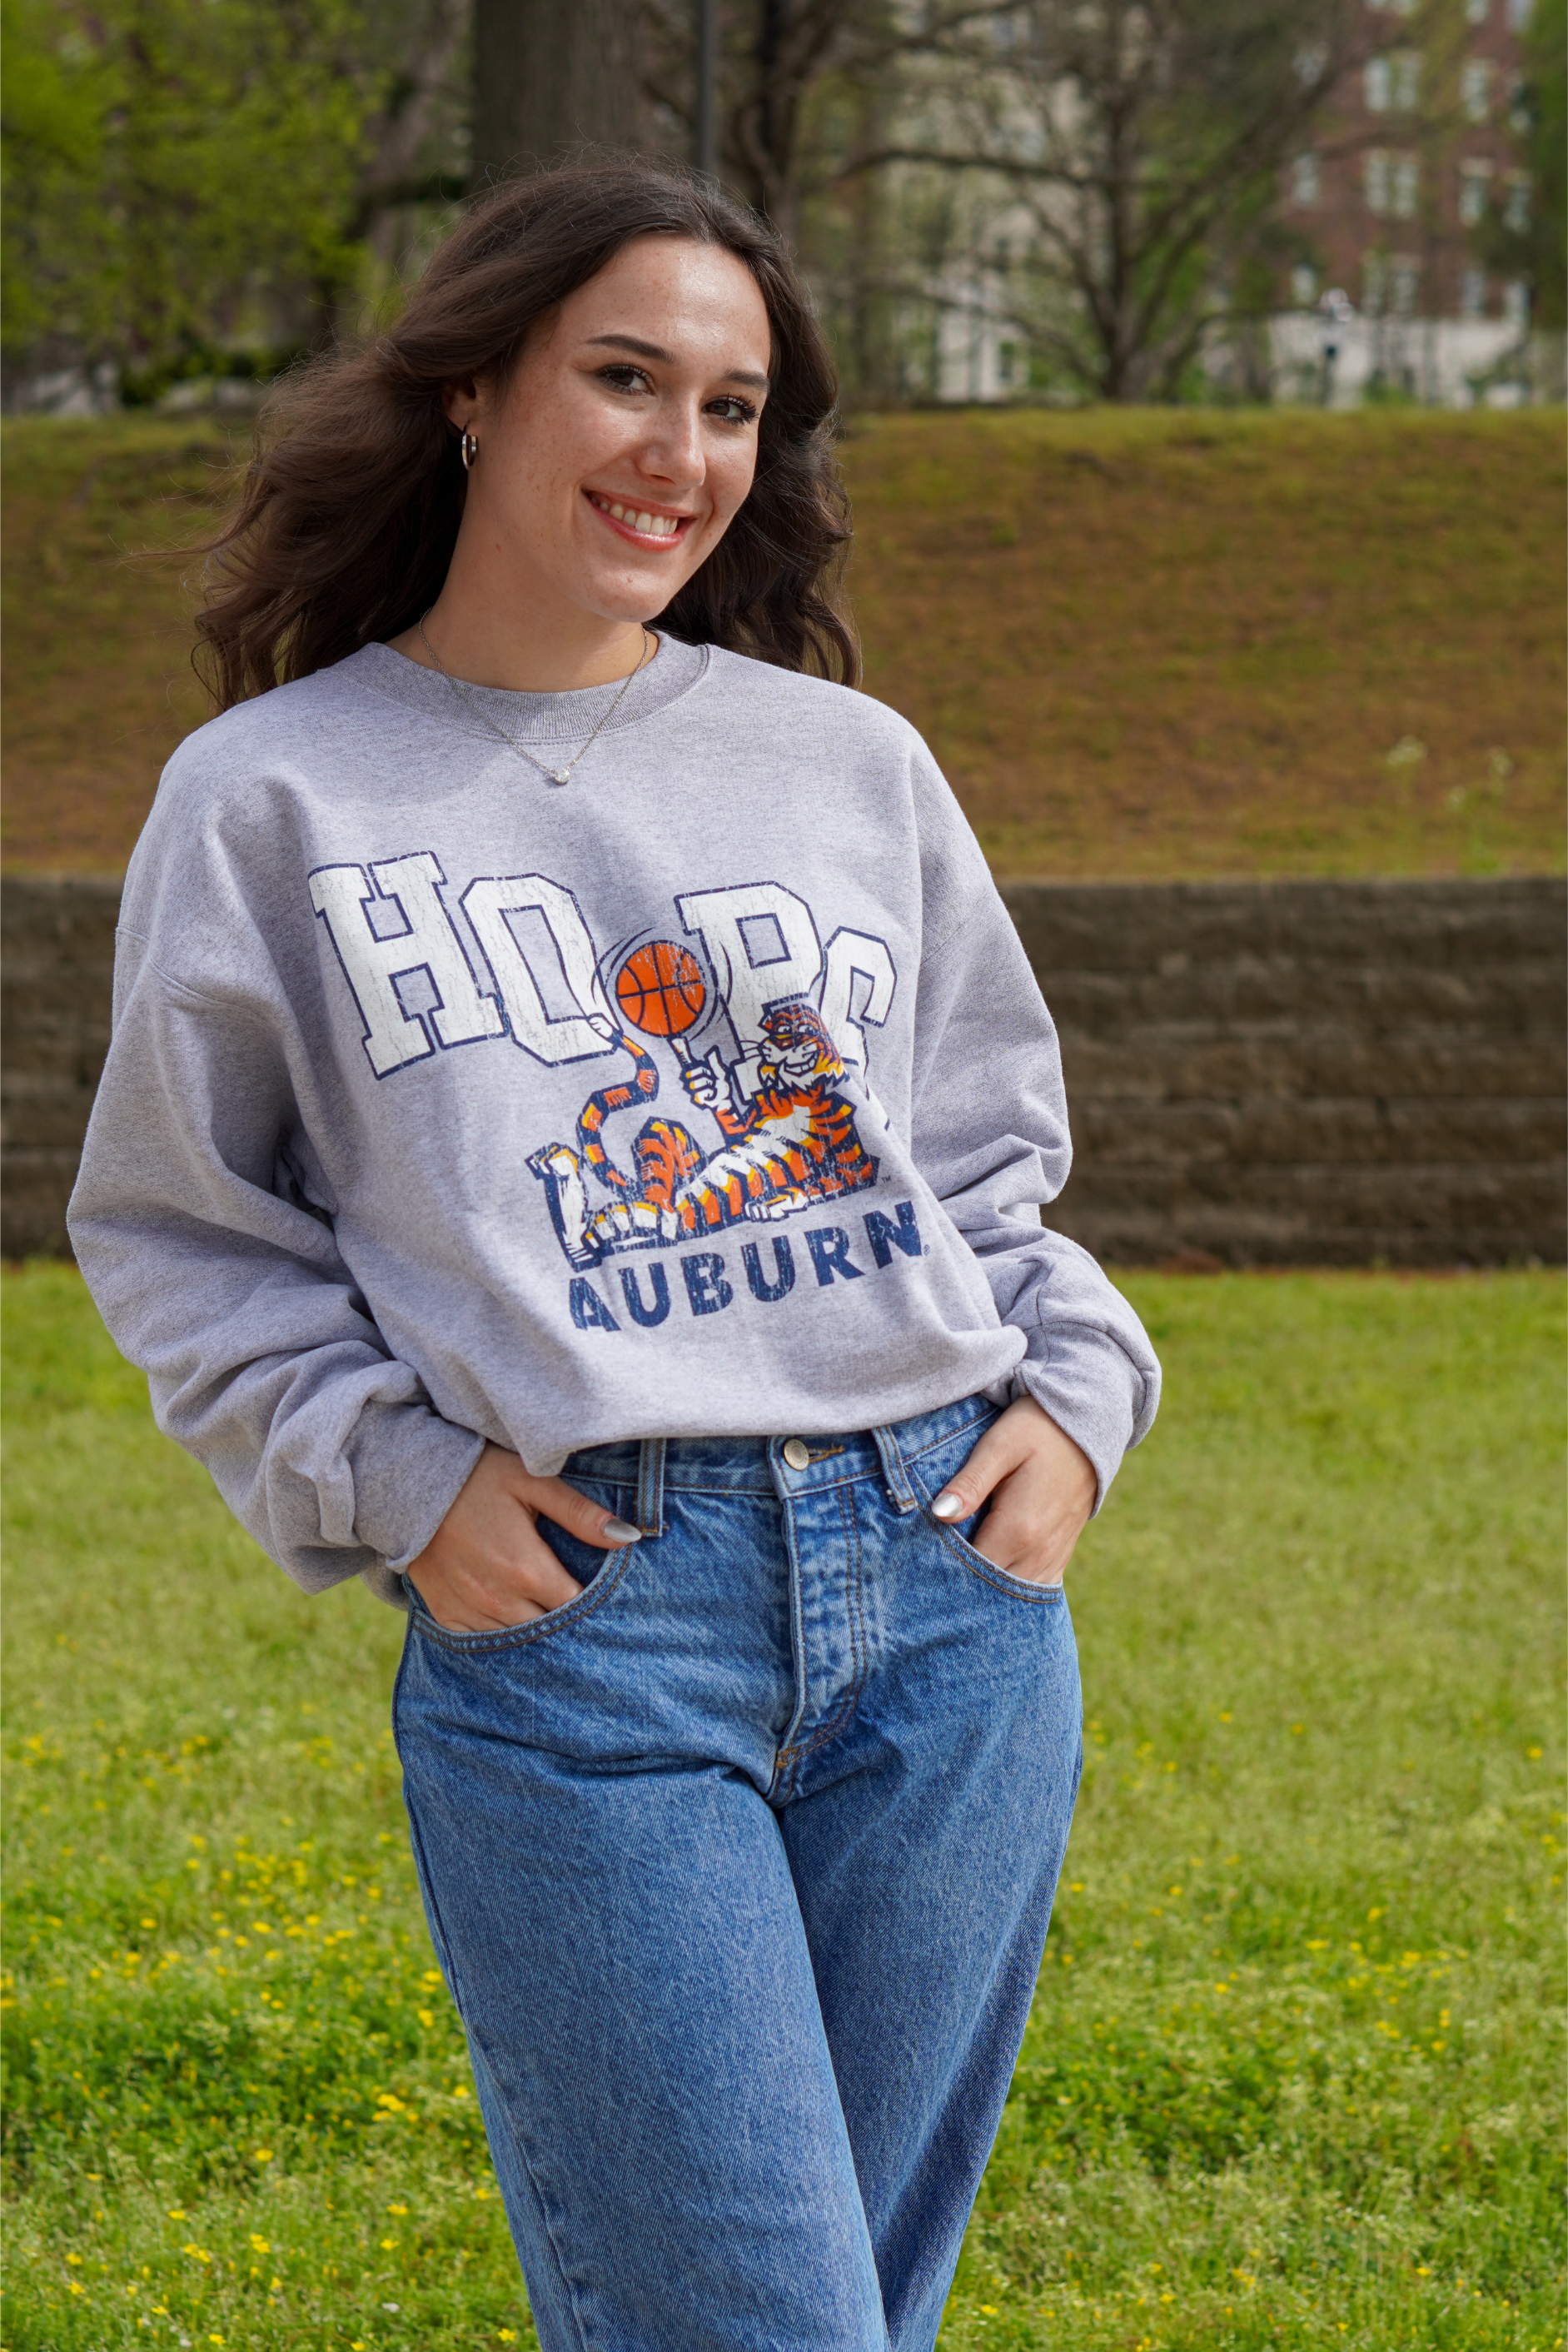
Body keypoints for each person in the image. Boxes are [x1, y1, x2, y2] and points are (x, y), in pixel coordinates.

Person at [69, 160, 1160, 2351]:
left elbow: (974, 1154)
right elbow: (185, 1225)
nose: (682, 454)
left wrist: (1079, 1404)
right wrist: (392, 1476)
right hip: (591, 1623)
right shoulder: (275, 793)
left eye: (735, 406)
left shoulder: (845, 764)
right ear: (477, 386)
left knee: (857, 2306)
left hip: (950, 1601)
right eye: (628, 379)